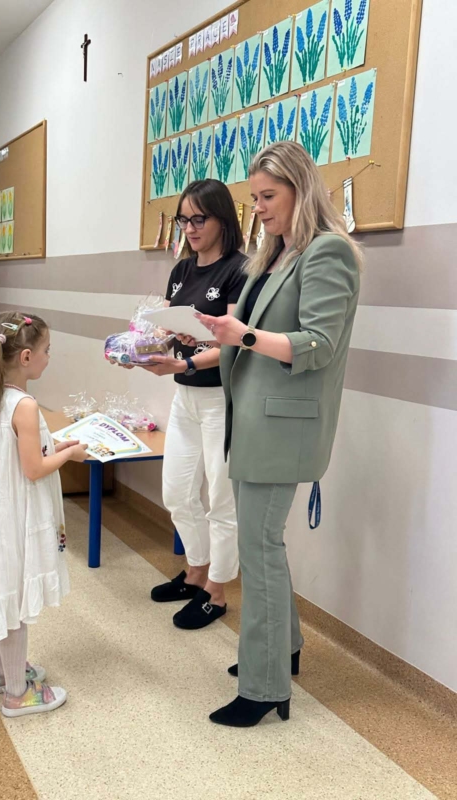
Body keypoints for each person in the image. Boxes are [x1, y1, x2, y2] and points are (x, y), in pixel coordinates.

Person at [196, 141, 362, 727]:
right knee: (263, 543)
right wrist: (197, 351)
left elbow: (319, 344)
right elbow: (244, 334)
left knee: (258, 548)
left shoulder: (328, 252)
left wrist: (239, 335)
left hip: (282, 428)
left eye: (268, 196)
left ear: (300, 189)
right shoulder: (275, 255)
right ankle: (282, 648)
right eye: (255, 198)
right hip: (253, 422)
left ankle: (265, 687)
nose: (259, 208)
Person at [0, 311, 88, 717]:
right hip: (18, 513)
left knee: (0, 584)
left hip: (0, 511)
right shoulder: (26, 404)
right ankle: (17, 694)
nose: (48, 357)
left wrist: (57, 445)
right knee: (15, 594)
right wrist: (70, 455)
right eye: (46, 350)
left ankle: (0, 672)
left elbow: (25, 451)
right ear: (25, 357)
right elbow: (33, 469)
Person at [142, 179, 248, 629]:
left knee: (220, 500)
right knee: (178, 492)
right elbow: (169, 327)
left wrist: (183, 364)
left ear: (222, 218)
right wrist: (143, 348)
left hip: (220, 398)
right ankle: (195, 572)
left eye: (198, 219)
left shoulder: (239, 270)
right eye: (183, 220)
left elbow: (233, 344)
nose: (189, 228)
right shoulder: (182, 270)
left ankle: (216, 593)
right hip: (185, 397)